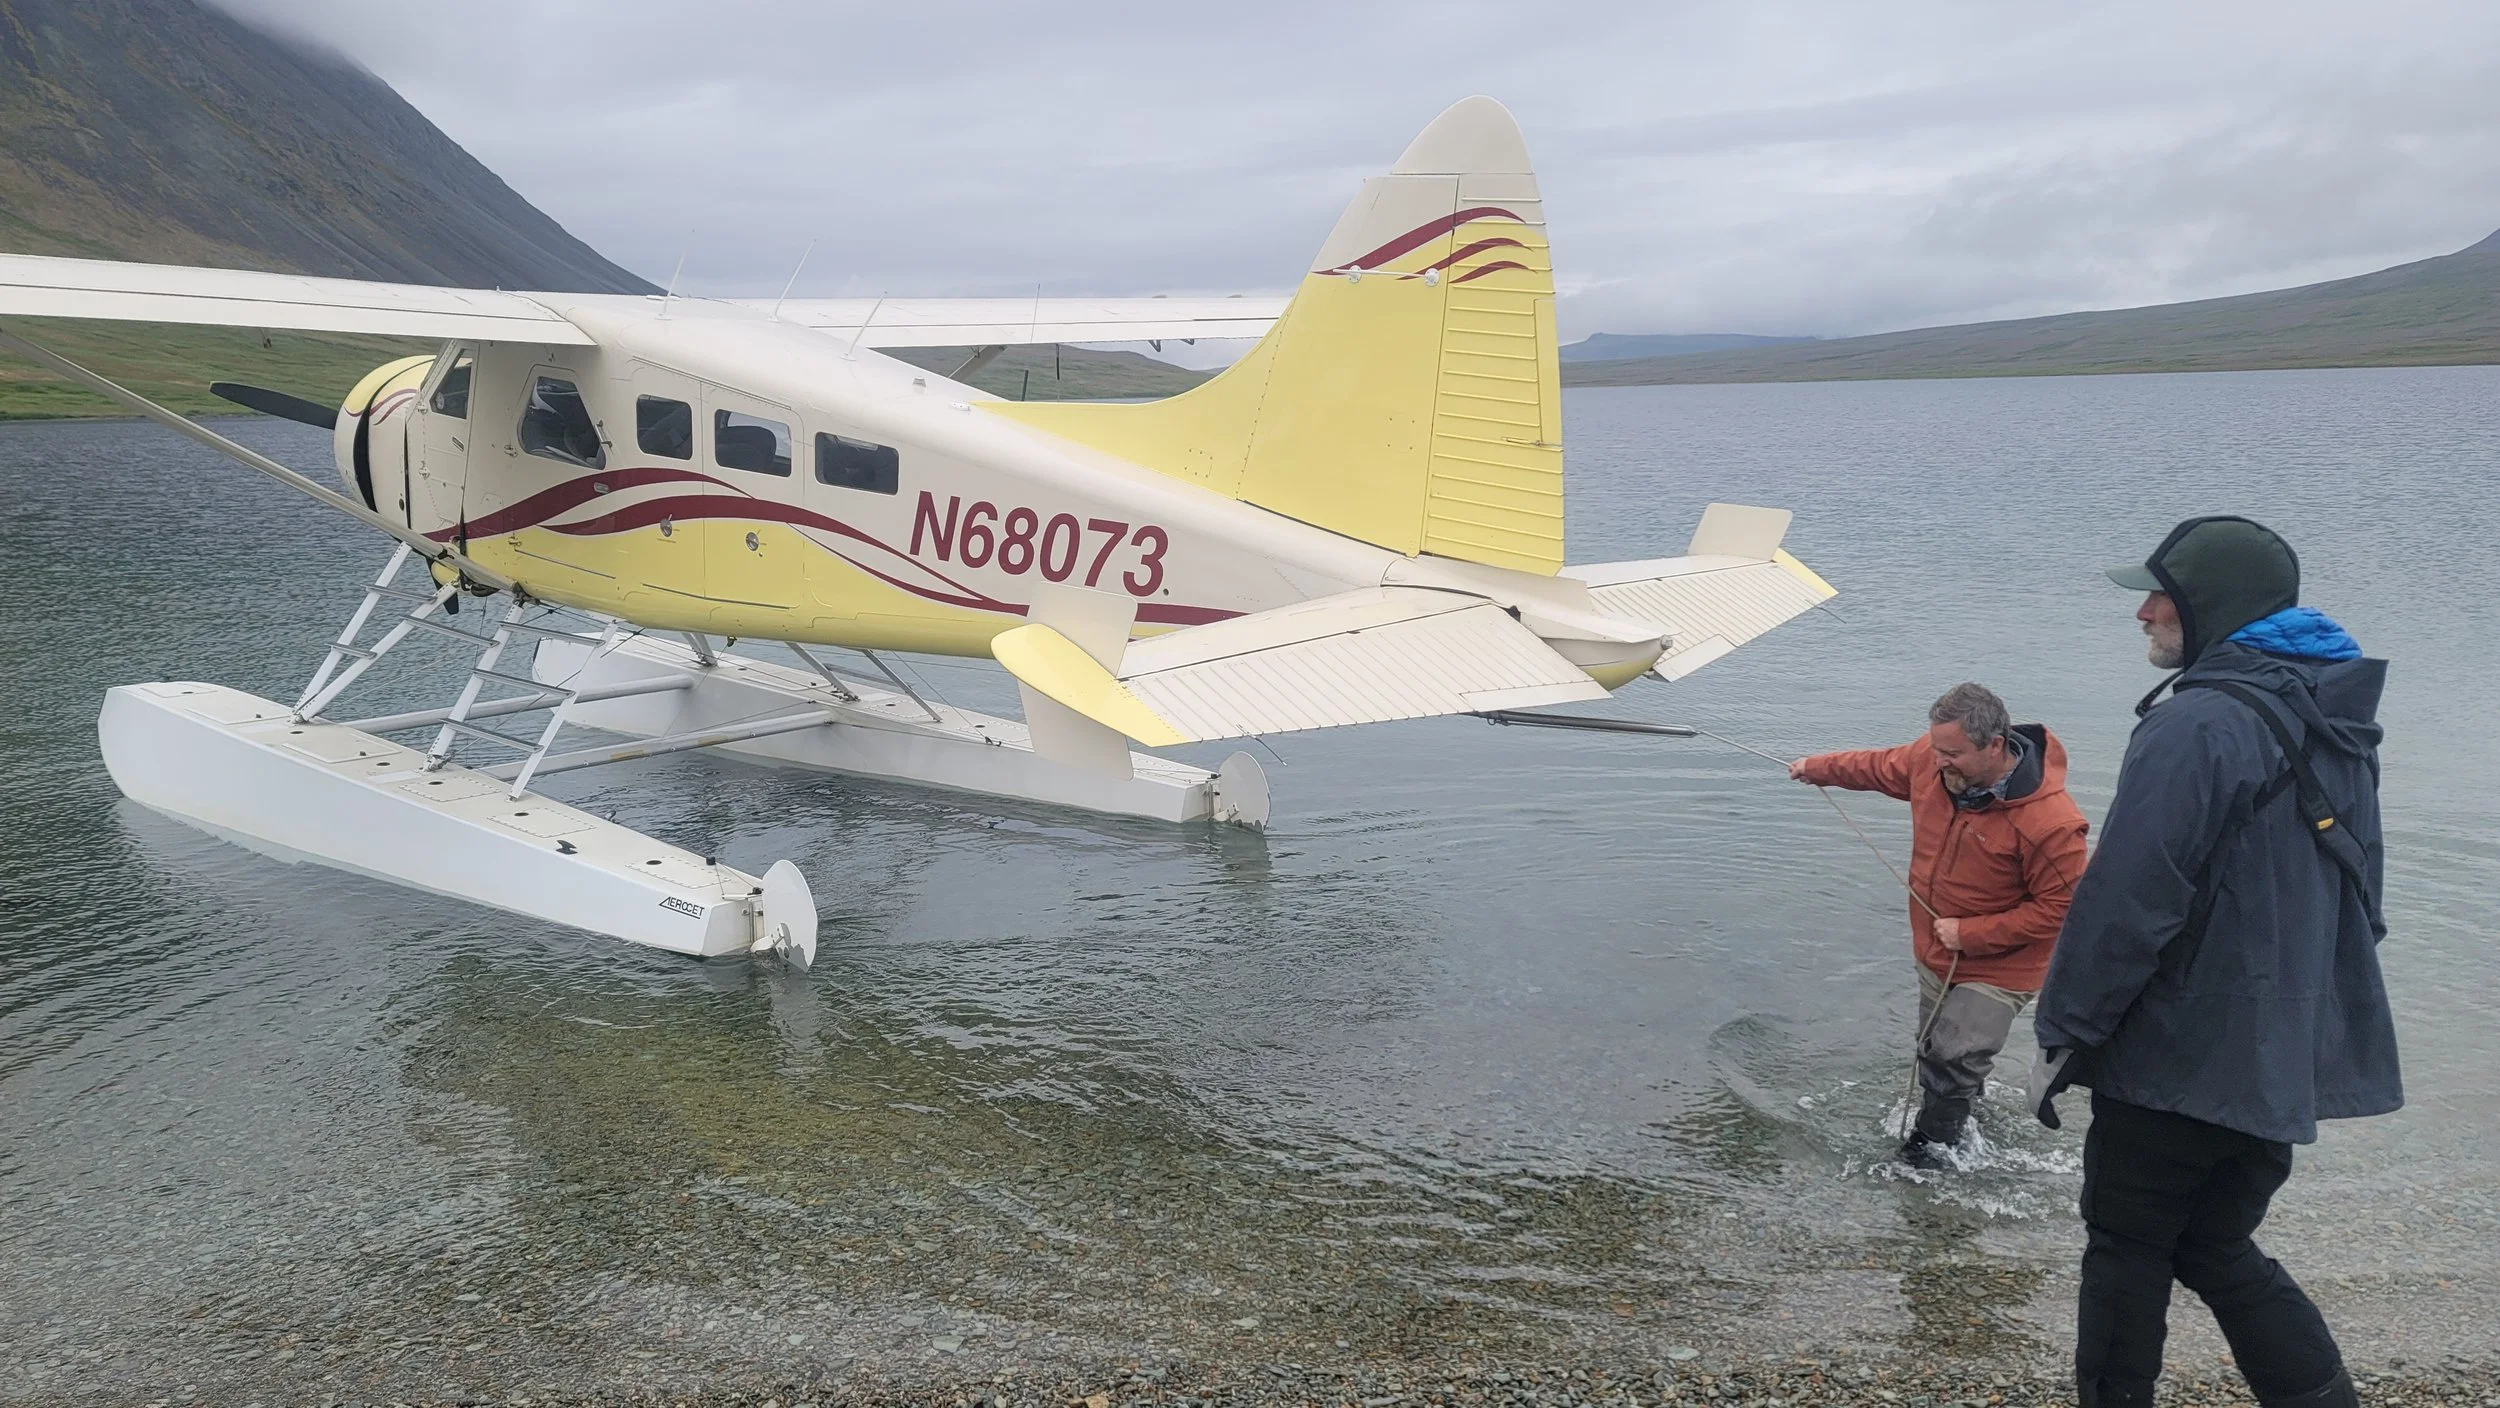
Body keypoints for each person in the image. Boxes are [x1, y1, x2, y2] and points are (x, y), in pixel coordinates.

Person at [2028, 515, 2399, 1408]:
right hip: (2278, 1055)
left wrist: (2064, 1033)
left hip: (2180, 1055)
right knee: (2212, 1245)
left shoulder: (2198, 723)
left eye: (2163, 595)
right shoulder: (2333, 714)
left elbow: (2126, 904)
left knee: (2125, 1244)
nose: (2146, 612)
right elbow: (2363, 891)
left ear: (2214, 606)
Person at [1790, 683, 2089, 1166]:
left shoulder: (2052, 823)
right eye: (1935, 749)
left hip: (2003, 968)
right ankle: (1966, 1116)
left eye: (1952, 753)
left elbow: (2064, 908)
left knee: (1951, 1054)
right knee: (1937, 1050)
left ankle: (1928, 1156)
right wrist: (1816, 768)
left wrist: (1970, 935)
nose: (1939, 761)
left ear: (1994, 745)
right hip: (1936, 953)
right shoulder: (1931, 763)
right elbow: (1877, 766)